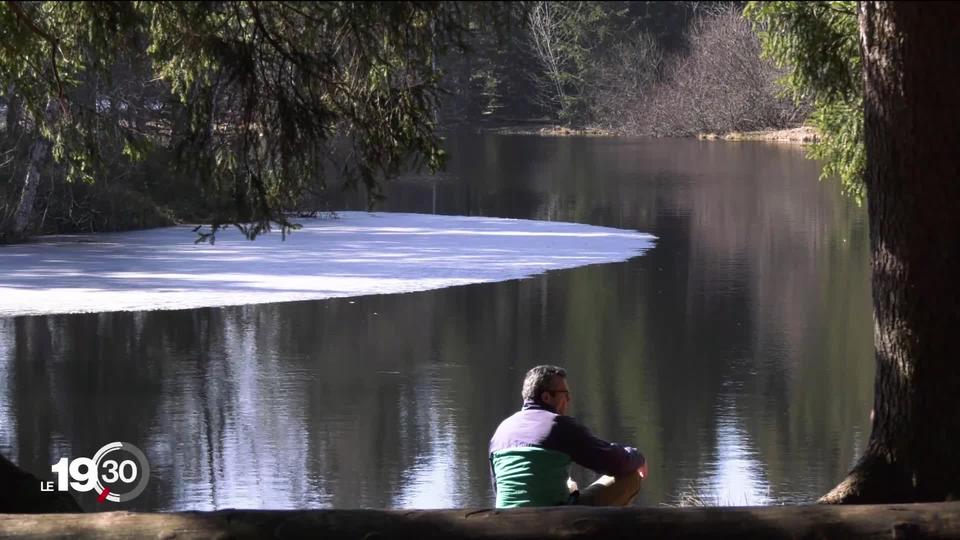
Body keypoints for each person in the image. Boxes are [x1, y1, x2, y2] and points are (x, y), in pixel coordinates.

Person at [489, 365, 648, 508]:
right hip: (555, 523)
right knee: (631, 476)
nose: (569, 399)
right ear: (546, 397)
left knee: (569, 484)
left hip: (506, 522)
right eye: (564, 394)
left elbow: (499, 488)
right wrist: (638, 457)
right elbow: (612, 461)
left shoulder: (501, 431)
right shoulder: (558, 425)